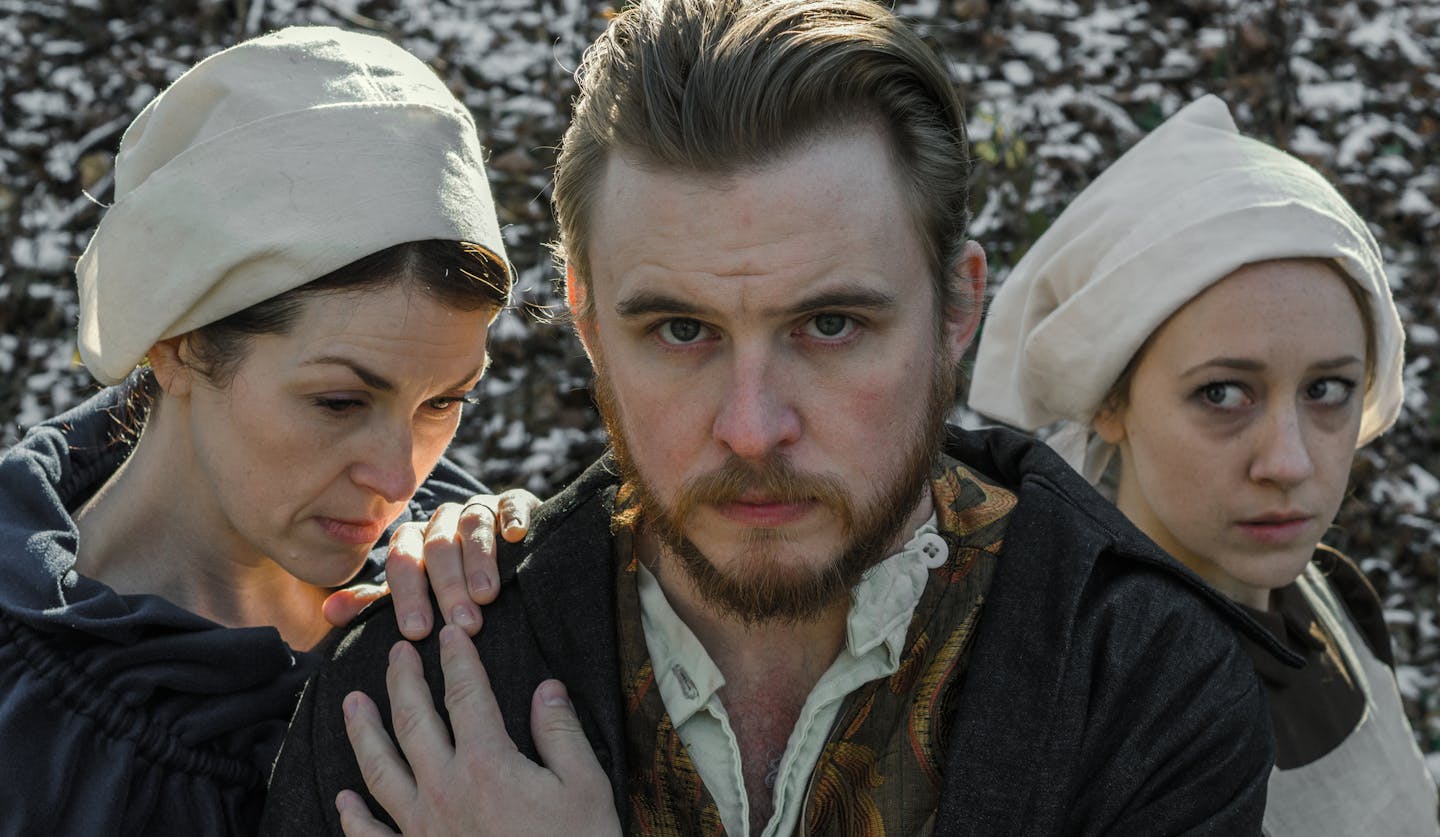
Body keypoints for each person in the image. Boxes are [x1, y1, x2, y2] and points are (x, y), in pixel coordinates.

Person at [261, 3, 1285, 835]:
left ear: (957, 310)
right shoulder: (422, 692)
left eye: (830, 324)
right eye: (679, 331)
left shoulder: (1136, 682)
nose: (752, 431)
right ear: (586, 322)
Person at [0, 26, 518, 834]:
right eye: (340, 402)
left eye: (443, 403)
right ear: (176, 342)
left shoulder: (475, 592)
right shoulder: (25, 721)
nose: (398, 476)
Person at [968, 94, 1438, 835]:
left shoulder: (1329, 603)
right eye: (1223, 393)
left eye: (1328, 390)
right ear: (1111, 402)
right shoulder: (1058, 701)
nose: (1287, 462)